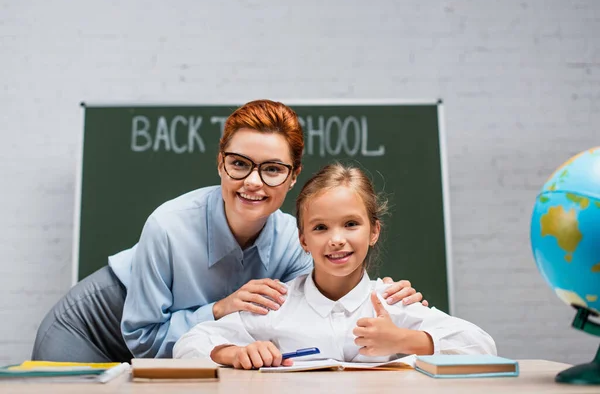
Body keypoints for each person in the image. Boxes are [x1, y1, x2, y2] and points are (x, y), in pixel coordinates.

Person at [32, 100, 426, 362]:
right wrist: (222, 308)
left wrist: (383, 297)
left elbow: (306, 313)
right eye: (240, 164)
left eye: (272, 169)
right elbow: (144, 339)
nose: (253, 182)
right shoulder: (168, 225)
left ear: (292, 177)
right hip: (93, 327)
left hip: (186, 350)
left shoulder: (294, 239)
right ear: (221, 163)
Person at [173, 163, 497, 368]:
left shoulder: (393, 302)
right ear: (303, 241)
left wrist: (402, 340)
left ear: (374, 231)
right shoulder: (277, 304)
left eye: (351, 224)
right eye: (320, 228)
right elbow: (189, 345)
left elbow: (483, 347)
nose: (336, 240)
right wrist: (233, 353)